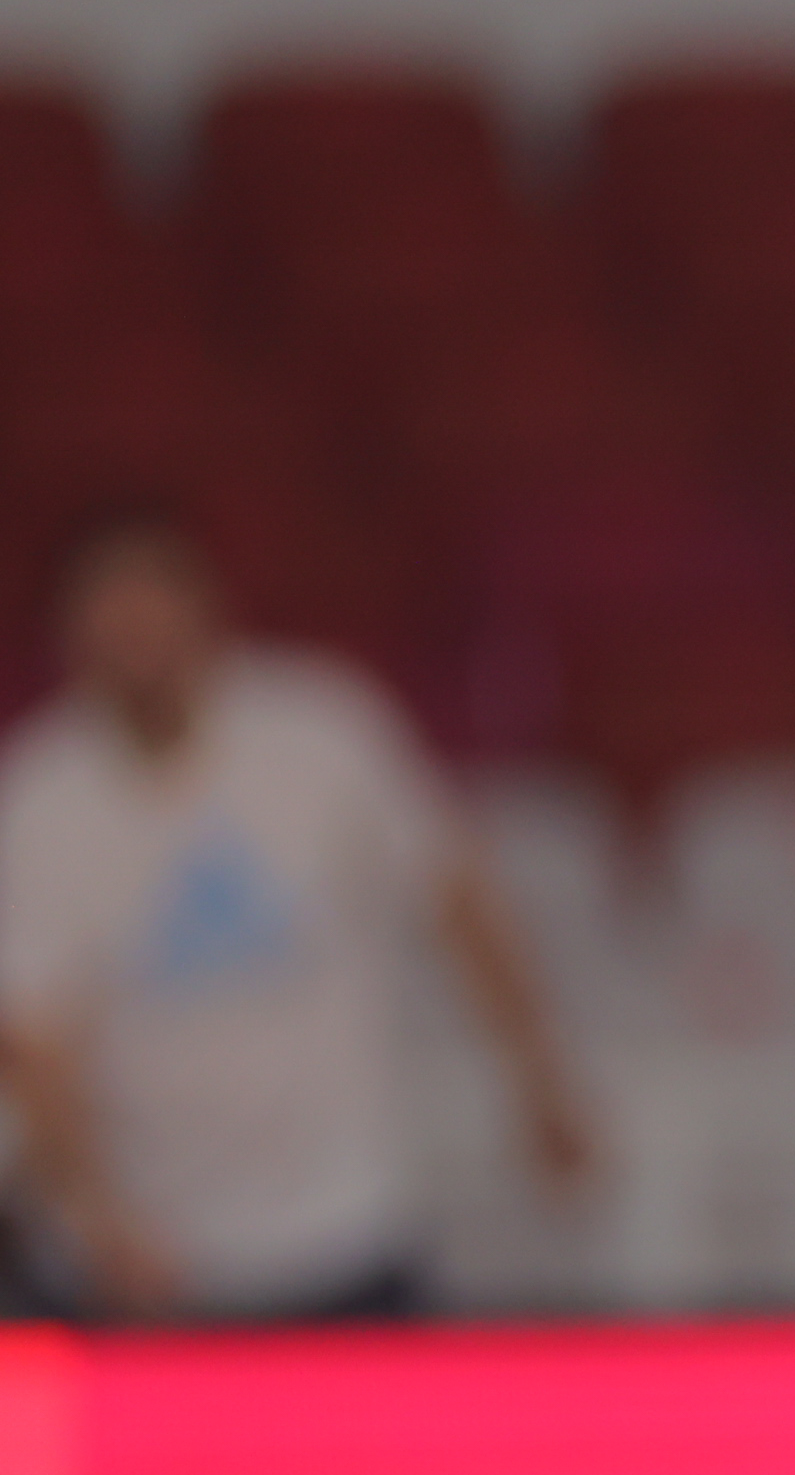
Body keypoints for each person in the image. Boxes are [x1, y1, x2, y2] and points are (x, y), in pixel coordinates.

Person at [0, 506, 593, 1320]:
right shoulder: (41, 798)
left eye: (154, 604)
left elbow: (457, 904)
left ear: (208, 609)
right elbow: (37, 1048)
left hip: (346, 1222)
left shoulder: (323, 732)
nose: (137, 637)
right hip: (157, 1257)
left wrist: (540, 1080)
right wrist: (100, 1217)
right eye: (110, 615)